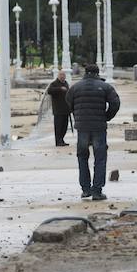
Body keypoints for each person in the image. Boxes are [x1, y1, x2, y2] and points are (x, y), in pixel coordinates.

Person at [65, 63, 121, 201]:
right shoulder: (105, 87)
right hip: (99, 127)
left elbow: (68, 102)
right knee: (100, 159)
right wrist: (107, 116)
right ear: (97, 73)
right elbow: (115, 103)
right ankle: (97, 191)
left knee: (82, 158)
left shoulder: (75, 87)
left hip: (82, 127)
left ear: (85, 72)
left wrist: (77, 115)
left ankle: (85, 190)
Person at [46, 71, 71, 146]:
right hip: (58, 109)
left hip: (66, 109)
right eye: (61, 75)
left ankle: (62, 140)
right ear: (58, 76)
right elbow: (49, 91)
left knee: (65, 126)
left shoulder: (66, 83)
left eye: (63, 75)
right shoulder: (54, 83)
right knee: (58, 126)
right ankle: (58, 141)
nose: (62, 76)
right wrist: (60, 89)